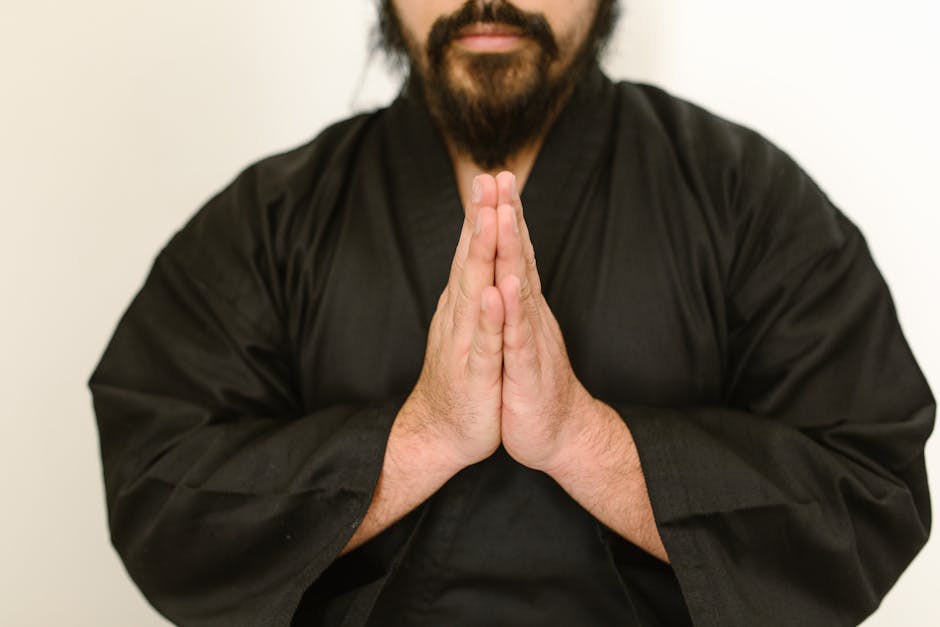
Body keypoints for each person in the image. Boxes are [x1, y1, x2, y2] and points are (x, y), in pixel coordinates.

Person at [89, 1, 934, 625]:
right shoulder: (275, 217)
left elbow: (873, 484)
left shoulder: (741, 195)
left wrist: (582, 438)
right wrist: (419, 436)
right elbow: (154, 475)